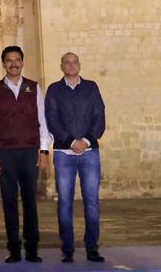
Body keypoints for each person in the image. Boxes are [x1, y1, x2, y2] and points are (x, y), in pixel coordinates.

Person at [0, 45, 50, 263]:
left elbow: (43, 122)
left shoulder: (34, 88)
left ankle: (32, 248)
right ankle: (13, 249)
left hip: (30, 152)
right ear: (3, 63)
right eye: (9, 60)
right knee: (9, 201)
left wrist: (44, 150)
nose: (13, 64)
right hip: (6, 154)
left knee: (30, 200)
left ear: (22, 62)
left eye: (17, 60)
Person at [44, 52, 106, 263]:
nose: (71, 65)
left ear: (79, 65)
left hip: (89, 153)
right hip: (64, 154)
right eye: (67, 62)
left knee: (91, 202)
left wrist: (86, 141)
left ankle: (92, 248)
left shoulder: (91, 88)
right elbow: (51, 119)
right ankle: (67, 249)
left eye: (74, 62)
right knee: (64, 202)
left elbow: (99, 116)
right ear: (61, 66)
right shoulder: (54, 90)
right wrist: (71, 142)